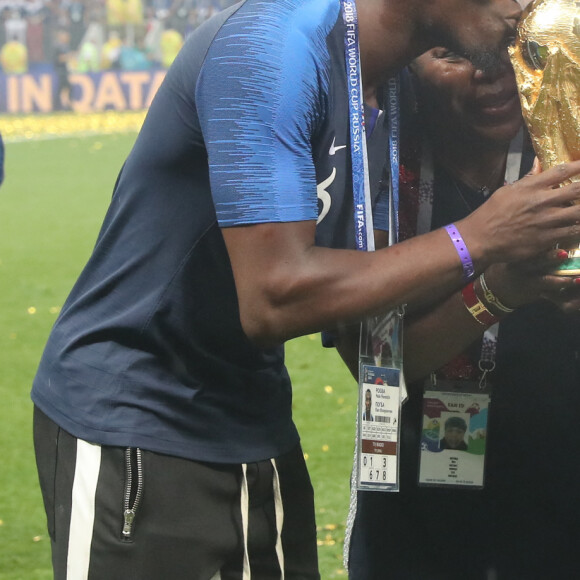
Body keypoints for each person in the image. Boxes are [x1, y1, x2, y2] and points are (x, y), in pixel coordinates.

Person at [31, 1, 580, 578]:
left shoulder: (385, 95)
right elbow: (272, 297)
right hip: (138, 418)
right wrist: (479, 237)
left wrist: (500, 286)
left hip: (254, 419)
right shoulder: (274, 47)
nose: (520, 4)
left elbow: (377, 345)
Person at [347, 45, 580, 580]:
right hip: (414, 512)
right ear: (407, 64)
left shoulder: (564, 150)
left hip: (558, 490)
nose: (493, 72)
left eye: (514, 46)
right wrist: (497, 291)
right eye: (452, 54)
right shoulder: (381, 173)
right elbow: (377, 367)